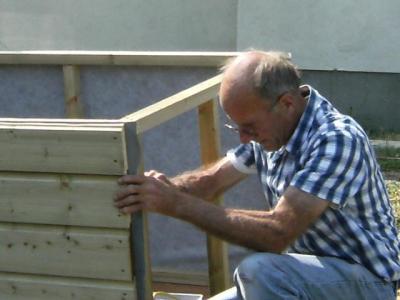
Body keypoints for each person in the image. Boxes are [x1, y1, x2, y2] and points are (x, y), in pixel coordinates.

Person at [114, 50, 399, 299]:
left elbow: (277, 233)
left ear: (286, 103)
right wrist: (162, 188)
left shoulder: (336, 139)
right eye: (236, 127)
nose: (243, 138)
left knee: (259, 272)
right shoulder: (273, 131)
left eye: (249, 127)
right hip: (305, 278)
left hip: (367, 283)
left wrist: (175, 203)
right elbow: (210, 182)